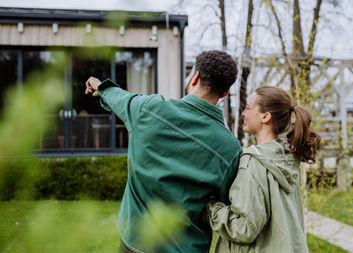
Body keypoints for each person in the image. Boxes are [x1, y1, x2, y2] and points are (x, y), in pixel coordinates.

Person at [85, 50, 241, 253]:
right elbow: (229, 205)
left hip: (135, 244)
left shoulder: (149, 110)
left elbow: (120, 98)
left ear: (195, 77)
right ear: (225, 93)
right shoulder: (231, 150)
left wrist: (99, 86)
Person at [205, 86, 321, 253]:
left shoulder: (254, 162)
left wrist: (210, 207)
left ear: (266, 116)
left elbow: (244, 228)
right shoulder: (287, 156)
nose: (243, 113)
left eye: (248, 108)